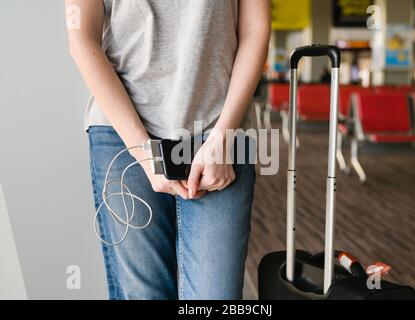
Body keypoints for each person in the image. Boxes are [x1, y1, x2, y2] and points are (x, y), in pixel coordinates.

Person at [65, 0, 271, 300]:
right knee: (144, 294)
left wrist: (223, 137)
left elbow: (256, 29)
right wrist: (142, 150)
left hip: (219, 129)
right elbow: (81, 39)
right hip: (124, 131)